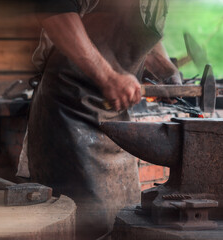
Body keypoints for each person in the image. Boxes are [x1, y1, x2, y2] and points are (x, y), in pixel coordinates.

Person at [20, 0, 181, 239]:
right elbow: (55, 12)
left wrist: (165, 70)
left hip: (115, 118)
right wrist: (108, 77)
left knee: (122, 220)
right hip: (69, 111)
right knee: (81, 224)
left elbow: (140, 29)